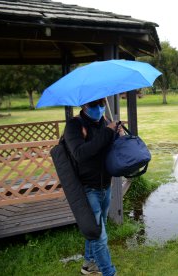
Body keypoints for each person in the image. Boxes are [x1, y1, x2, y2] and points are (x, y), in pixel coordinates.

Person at [64, 98, 121, 276]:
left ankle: (88, 265)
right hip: (88, 188)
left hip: (105, 185)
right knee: (99, 235)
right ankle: (108, 272)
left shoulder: (105, 122)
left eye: (101, 105)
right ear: (84, 106)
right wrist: (107, 132)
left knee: (97, 227)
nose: (99, 109)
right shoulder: (74, 125)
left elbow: (107, 150)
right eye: (94, 106)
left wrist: (117, 135)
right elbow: (80, 153)